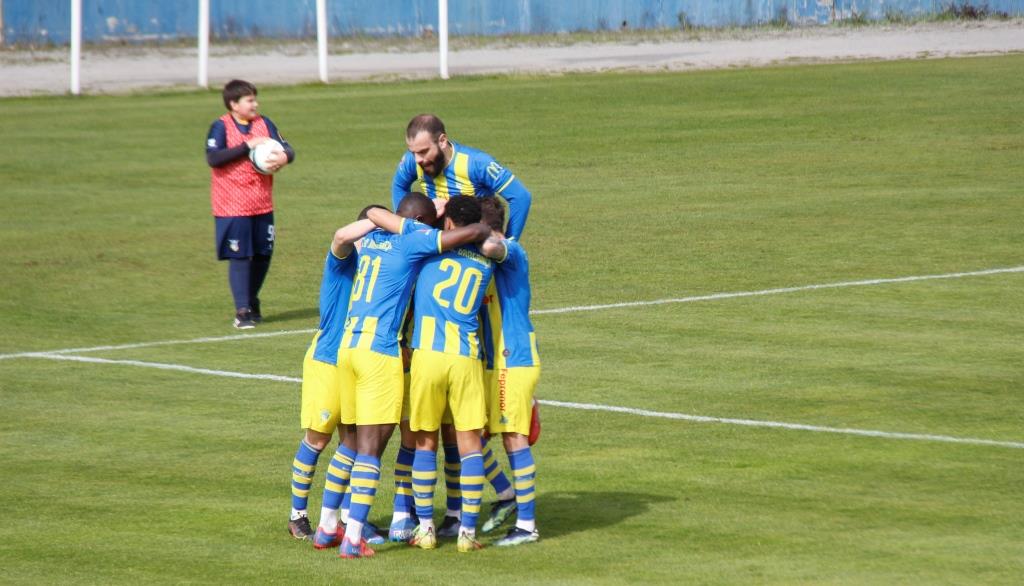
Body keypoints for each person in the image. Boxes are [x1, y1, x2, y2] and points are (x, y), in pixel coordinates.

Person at [335, 193, 490, 559]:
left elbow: (360, 225)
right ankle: (461, 528)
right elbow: (483, 244)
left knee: (400, 442)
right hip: (434, 355)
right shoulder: (470, 257)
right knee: (456, 444)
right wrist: (481, 230)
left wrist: (387, 216)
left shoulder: (393, 247)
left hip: (381, 351)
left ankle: (403, 523)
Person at [392, 197, 495, 553]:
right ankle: (467, 532)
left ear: (448, 223)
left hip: (428, 357)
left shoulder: (427, 255)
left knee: (425, 443)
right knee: (469, 446)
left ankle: (426, 529)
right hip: (466, 358)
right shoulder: (485, 263)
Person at [477, 196, 542, 546]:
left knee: (513, 437)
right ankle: (506, 494)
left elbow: (492, 246)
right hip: (491, 364)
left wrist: (470, 235)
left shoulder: (512, 251)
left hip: (512, 359)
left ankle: (527, 526)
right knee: (470, 435)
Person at [205, 79, 294, 329]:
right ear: (234, 104)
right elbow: (213, 158)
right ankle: (242, 311)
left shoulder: (265, 124)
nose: (255, 104)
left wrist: (284, 157)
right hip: (232, 205)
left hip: (262, 203)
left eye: (255, 99)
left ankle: (251, 299)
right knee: (241, 255)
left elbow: (288, 149)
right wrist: (247, 146)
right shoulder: (220, 127)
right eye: (250, 100)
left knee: (263, 255)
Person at [391, 114, 532, 241]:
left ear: (442, 141)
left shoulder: (478, 163)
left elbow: (520, 196)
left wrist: (509, 242)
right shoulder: (412, 161)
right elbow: (399, 186)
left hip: (474, 242)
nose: (417, 159)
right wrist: (403, 225)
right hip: (438, 240)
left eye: (423, 151)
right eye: (413, 152)